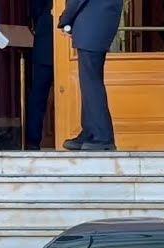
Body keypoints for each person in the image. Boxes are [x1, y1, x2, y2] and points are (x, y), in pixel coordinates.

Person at [58, 0, 122, 151]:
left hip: (93, 25)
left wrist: (64, 19)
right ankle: (90, 132)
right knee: (90, 82)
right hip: (98, 22)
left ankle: (102, 137)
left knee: (91, 83)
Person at [27, 0, 55, 148]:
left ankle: (33, 140)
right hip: (48, 41)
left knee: (38, 95)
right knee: (38, 95)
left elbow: (35, 10)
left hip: (46, 39)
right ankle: (33, 139)